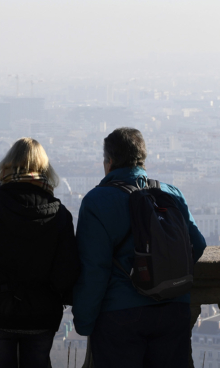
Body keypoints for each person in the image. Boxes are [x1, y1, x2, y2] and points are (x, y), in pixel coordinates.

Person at [73, 127, 206, 367]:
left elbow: (94, 269)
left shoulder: (97, 202)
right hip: (173, 310)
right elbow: (197, 244)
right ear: (142, 159)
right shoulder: (170, 193)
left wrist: (83, 321)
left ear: (110, 161)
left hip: (119, 315)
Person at [0, 137, 79, 368]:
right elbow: (66, 274)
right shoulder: (60, 213)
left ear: (7, 166)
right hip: (42, 314)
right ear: (44, 170)